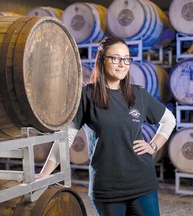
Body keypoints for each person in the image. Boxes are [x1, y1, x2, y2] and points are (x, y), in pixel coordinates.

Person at [36, 36, 176, 216]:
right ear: (102, 59)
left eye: (126, 59)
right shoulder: (87, 96)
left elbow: (169, 120)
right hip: (107, 187)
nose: (122, 64)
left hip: (142, 183)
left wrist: (153, 145)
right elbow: (66, 137)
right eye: (116, 58)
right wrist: (45, 172)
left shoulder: (138, 94)